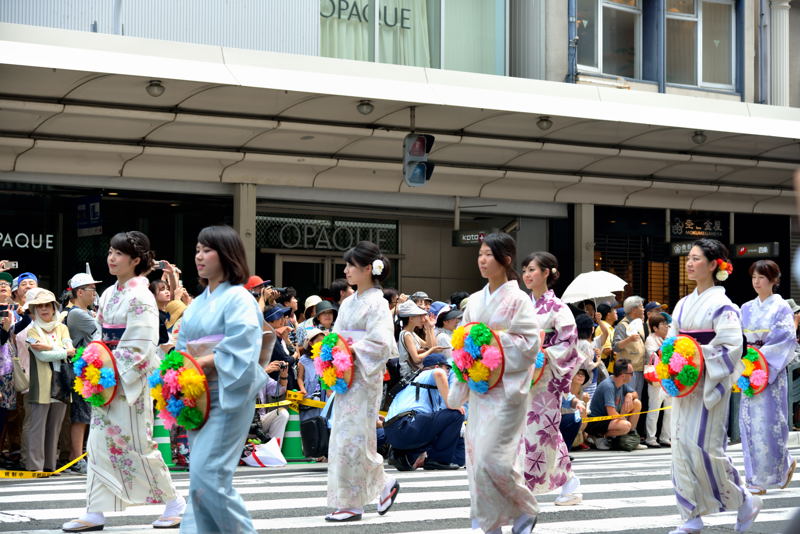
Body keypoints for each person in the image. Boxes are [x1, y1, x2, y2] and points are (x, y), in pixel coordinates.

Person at [63, 231, 184, 533]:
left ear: (136, 260)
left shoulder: (141, 295)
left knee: (136, 444)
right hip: (106, 376)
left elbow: (141, 344)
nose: (112, 258)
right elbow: (102, 337)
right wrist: (95, 367)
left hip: (129, 380)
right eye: (110, 252)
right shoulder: (109, 293)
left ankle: (174, 502)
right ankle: (95, 510)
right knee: (100, 443)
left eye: (119, 253)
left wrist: (110, 372)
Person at [448, 232, 540, 534]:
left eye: (489, 254)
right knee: (477, 459)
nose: (482, 260)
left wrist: (488, 343)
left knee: (493, 458)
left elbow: (528, 344)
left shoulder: (518, 299)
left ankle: (525, 506)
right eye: (480, 255)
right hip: (480, 390)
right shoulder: (475, 301)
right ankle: (491, 525)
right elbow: (461, 344)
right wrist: (465, 364)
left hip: (507, 392)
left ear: (506, 259)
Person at [176, 225, 266, 533]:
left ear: (226, 254)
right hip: (197, 395)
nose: (199, 256)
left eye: (207, 250)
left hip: (228, 393)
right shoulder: (197, 304)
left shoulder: (240, 298)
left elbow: (242, 345)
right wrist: (176, 371)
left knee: (209, 475)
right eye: (198, 250)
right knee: (200, 481)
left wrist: (197, 363)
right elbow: (181, 346)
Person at [666, 239, 758, 534]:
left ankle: (743, 500)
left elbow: (732, 347)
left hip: (707, 383)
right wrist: (672, 363)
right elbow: (671, 343)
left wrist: (693, 358)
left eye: (695, 258)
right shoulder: (682, 303)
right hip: (685, 385)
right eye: (688, 259)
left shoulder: (724, 305)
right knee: (680, 446)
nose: (689, 264)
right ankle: (690, 516)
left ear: (713, 264)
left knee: (705, 448)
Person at [325, 241, 400, 522]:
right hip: (346, 374)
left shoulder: (378, 303)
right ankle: (380, 488)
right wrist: (332, 353)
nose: (346, 271)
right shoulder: (347, 303)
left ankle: (353, 503)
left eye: (350, 266)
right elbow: (336, 336)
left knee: (355, 438)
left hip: (363, 377)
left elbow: (382, 342)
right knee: (345, 437)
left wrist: (350, 349)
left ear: (368, 269)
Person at [520, 251, 583, 506]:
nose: (527, 275)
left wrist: (544, 354)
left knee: (540, 432)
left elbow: (570, 343)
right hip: (523, 375)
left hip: (545, 379)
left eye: (532, 270)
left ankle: (524, 489)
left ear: (547, 272)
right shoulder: (523, 305)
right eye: (524, 270)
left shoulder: (558, 308)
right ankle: (570, 484)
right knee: (540, 433)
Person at [740, 260, 797, 495]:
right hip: (748, 369)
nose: (756, 282)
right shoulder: (745, 308)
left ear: (774, 280)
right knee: (749, 423)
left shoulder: (782, 307)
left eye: (762, 277)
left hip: (769, 372)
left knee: (771, 421)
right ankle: (755, 477)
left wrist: (759, 359)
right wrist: (745, 360)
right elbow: (738, 339)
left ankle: (780, 465)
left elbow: (785, 338)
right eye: (754, 277)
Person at [384, 353, 465, 470]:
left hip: (394, 433)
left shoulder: (418, 382)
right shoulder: (430, 373)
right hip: (406, 425)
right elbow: (439, 373)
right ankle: (437, 460)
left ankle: (405, 455)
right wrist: (451, 403)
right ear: (437, 366)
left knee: (458, 456)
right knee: (455, 414)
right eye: (447, 368)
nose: (448, 372)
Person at [23, 289, 74, 472]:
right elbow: (42, 357)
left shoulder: (62, 327)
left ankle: (49, 466)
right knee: (37, 426)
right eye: (39, 306)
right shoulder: (32, 331)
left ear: (54, 308)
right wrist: (61, 350)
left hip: (62, 381)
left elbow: (72, 350)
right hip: (42, 383)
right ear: (34, 310)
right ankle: (34, 466)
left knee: (55, 427)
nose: (44, 309)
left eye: (47, 305)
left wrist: (51, 347)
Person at [64, 272, 103, 475]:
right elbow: (101, 330)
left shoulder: (85, 312)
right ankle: (75, 458)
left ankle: (83, 455)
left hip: (90, 368)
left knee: (88, 414)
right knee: (81, 415)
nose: (95, 293)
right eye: (91, 289)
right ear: (80, 292)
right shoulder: (77, 314)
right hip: (80, 368)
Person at [585, 359, 645, 450]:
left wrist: (629, 395)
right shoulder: (609, 386)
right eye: (631, 373)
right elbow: (612, 414)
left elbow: (635, 394)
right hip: (597, 422)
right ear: (623, 375)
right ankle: (598, 436)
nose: (633, 376)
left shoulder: (620, 382)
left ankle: (629, 438)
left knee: (637, 403)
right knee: (625, 426)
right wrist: (625, 420)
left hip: (609, 420)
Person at [643, 314, 671, 448]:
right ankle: (650, 437)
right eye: (663, 324)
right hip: (656, 379)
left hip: (669, 378)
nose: (666, 326)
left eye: (667, 324)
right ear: (655, 328)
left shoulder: (670, 338)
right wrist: (668, 346)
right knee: (654, 408)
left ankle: (666, 437)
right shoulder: (650, 339)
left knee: (669, 409)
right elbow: (654, 355)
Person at [396, 300, 443, 379]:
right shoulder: (406, 334)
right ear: (411, 318)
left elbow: (429, 345)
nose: (423, 319)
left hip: (415, 372)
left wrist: (429, 328)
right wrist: (431, 350)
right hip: (409, 375)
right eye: (419, 316)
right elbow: (417, 359)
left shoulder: (411, 333)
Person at [612, 296, 646, 398]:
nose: (643, 309)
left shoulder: (639, 323)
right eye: (641, 307)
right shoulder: (622, 325)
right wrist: (629, 339)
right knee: (627, 401)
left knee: (636, 401)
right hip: (626, 370)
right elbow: (615, 347)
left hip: (639, 368)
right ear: (633, 309)